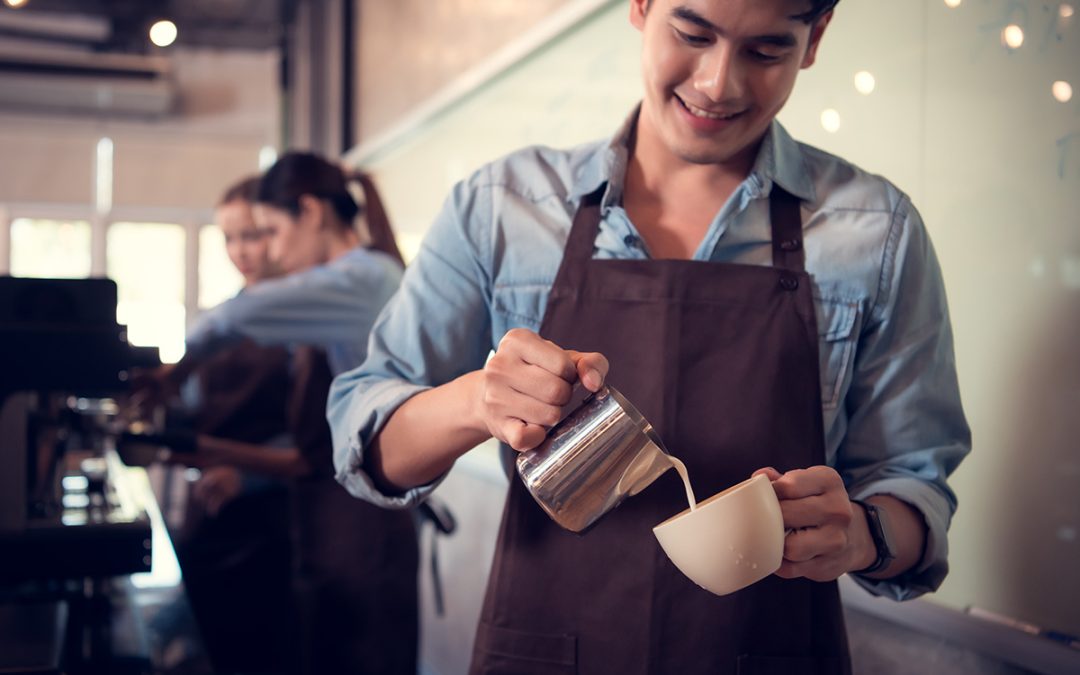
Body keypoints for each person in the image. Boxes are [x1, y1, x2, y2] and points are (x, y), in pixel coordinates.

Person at [328, 0, 972, 673]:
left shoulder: (876, 230)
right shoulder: (501, 206)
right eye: (692, 34)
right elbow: (365, 437)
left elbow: (914, 481)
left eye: (766, 51)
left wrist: (863, 535)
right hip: (546, 652)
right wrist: (477, 402)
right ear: (640, 6)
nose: (718, 82)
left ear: (815, 40)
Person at [144, 154, 419, 675]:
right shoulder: (348, 281)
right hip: (338, 508)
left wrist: (176, 372)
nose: (267, 249)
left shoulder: (365, 276)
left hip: (367, 512)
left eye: (269, 231)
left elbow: (242, 312)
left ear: (311, 212)